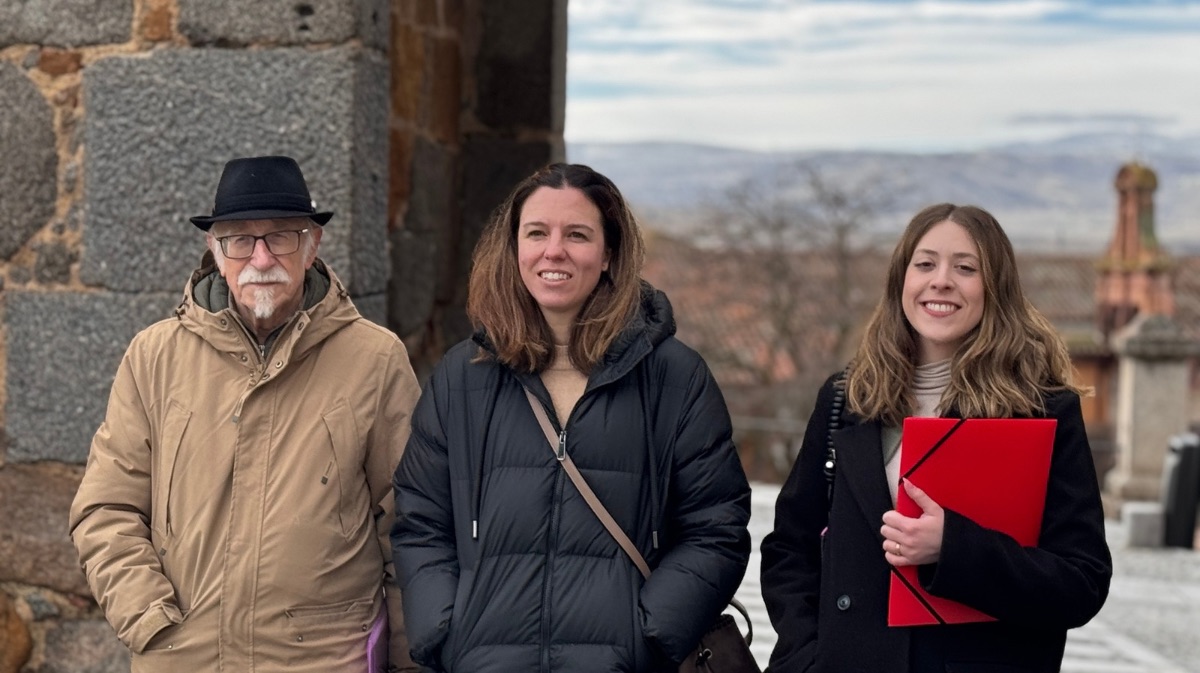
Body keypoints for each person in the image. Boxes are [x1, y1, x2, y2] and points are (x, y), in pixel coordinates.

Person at [390, 163, 752, 672]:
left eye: (577, 235)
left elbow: (717, 527)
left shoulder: (674, 378)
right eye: (536, 233)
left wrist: (649, 636)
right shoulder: (461, 377)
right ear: (514, 248)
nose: (552, 250)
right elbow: (420, 522)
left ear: (608, 255)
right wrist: (446, 631)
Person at [69, 155, 422, 673]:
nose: (260, 258)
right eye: (239, 240)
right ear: (215, 250)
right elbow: (105, 509)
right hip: (184, 658)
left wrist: (405, 661)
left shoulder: (375, 359)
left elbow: (408, 526)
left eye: (280, 236)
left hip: (323, 660)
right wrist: (147, 618)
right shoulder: (155, 357)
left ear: (311, 245)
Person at [760, 203, 1112, 672]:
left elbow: (1081, 582)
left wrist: (954, 548)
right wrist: (806, 657)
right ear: (900, 281)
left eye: (965, 268)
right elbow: (790, 547)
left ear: (996, 288)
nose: (941, 280)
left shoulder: (1042, 410)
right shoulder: (848, 397)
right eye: (924, 264)